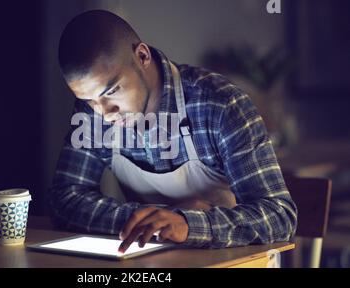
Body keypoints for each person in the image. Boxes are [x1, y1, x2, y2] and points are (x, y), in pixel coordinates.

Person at [49, 10, 297, 253]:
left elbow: (279, 217)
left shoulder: (220, 105)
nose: (104, 112)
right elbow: (65, 199)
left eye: (111, 91)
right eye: (89, 100)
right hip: (153, 265)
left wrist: (188, 225)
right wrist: (156, 218)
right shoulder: (92, 114)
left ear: (142, 56)